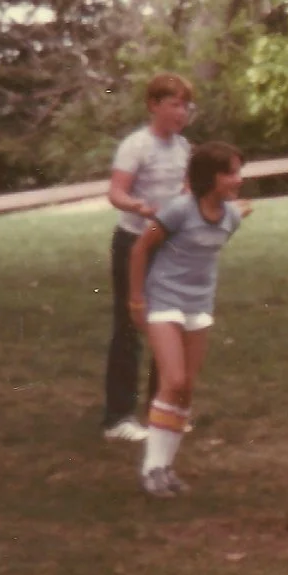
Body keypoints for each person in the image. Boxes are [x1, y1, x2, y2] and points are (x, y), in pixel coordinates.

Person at [124, 142, 246, 497]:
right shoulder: (178, 210)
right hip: (164, 300)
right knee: (173, 380)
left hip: (199, 306)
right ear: (211, 177)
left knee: (186, 388)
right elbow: (140, 249)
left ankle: (166, 468)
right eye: (231, 173)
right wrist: (136, 300)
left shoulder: (232, 218)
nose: (239, 180)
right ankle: (151, 469)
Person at [102, 73, 194, 439]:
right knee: (131, 326)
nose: (181, 112)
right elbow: (116, 193)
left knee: (169, 325)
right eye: (173, 104)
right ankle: (118, 418)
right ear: (153, 105)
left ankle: (163, 411)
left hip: (168, 245)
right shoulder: (136, 145)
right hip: (133, 243)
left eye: (186, 105)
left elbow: (186, 191)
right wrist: (139, 207)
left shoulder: (184, 147)